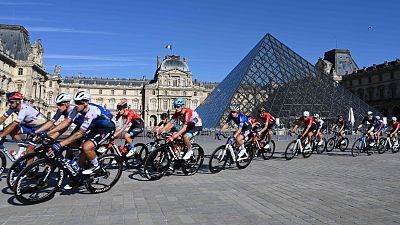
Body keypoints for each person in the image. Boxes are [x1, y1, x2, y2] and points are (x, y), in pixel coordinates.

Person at [47, 91, 115, 177]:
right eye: (75, 102)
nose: (76, 105)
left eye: (79, 103)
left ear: (86, 103)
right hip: (94, 127)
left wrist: (60, 144)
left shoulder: (91, 111)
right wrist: (48, 133)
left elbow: (80, 132)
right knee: (80, 148)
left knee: (87, 147)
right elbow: (66, 122)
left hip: (107, 128)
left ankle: (96, 167)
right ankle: (79, 174)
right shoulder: (76, 109)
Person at [0, 92, 47, 158]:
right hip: (29, 126)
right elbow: (3, 118)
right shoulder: (13, 108)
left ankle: (29, 167)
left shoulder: (24, 109)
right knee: (11, 130)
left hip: (41, 127)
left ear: (18, 102)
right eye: (8, 102)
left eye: (11, 102)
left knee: (30, 149)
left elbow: (14, 124)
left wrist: (1, 136)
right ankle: (22, 148)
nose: (9, 104)